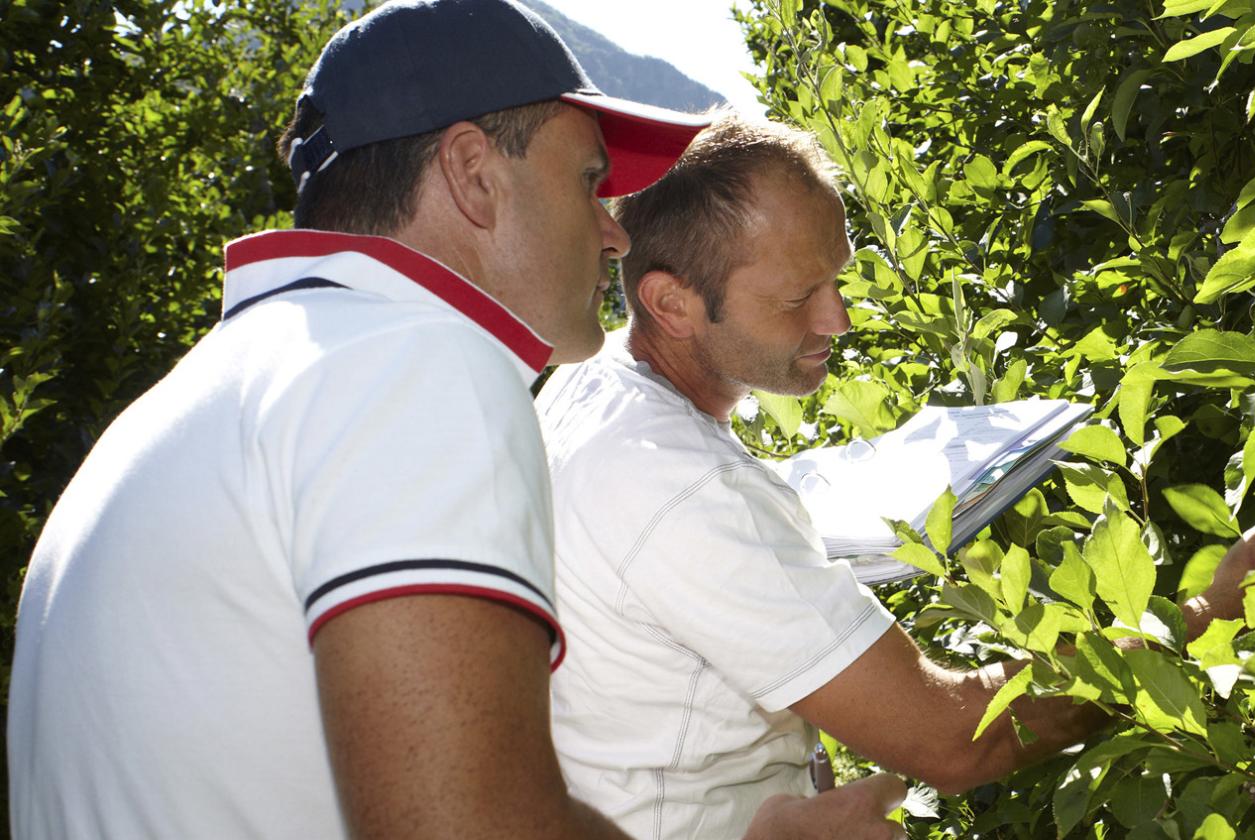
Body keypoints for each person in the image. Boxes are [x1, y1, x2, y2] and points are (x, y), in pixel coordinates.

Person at [8, 2, 904, 838]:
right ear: (474, 175)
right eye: (589, 180)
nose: (614, 234)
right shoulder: (410, 362)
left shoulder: (213, 388)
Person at [535, 114, 1255, 838]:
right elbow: (956, 740)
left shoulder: (593, 380)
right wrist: (1207, 614)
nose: (836, 319)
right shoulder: (683, 492)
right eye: (797, 296)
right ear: (670, 302)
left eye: (836, 276)